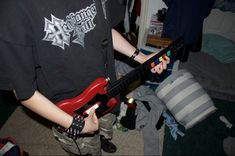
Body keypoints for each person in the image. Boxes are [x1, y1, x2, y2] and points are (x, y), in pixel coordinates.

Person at [0, 0, 170, 155]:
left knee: (105, 125)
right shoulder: (13, 9)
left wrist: (141, 58)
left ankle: (101, 138)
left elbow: (104, 29)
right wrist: (75, 125)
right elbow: (24, 92)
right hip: (70, 110)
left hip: (106, 89)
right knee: (87, 149)